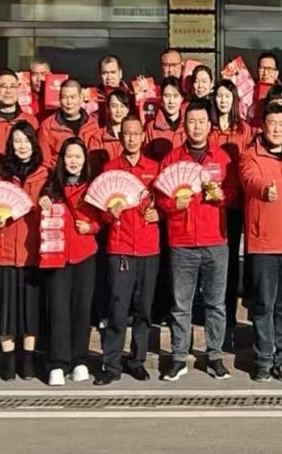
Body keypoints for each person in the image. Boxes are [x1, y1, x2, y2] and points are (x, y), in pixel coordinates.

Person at [158, 99, 237, 381]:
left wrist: (223, 196)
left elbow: (234, 194)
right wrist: (173, 204)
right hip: (181, 242)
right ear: (184, 125)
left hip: (215, 240)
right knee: (181, 305)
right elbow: (159, 197)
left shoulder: (222, 158)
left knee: (216, 304)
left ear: (209, 125)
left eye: (202, 121)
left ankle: (214, 356)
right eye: (191, 121)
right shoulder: (172, 159)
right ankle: (179, 357)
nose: (196, 127)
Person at [239, 103, 282, 382]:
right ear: (263, 126)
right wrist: (263, 190)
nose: (277, 129)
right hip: (264, 243)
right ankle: (263, 360)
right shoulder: (251, 155)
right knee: (263, 305)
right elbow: (249, 180)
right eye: (272, 123)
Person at [94, 117, 162, 385]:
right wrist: (109, 214)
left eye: (136, 133)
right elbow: (100, 212)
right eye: (127, 134)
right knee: (118, 307)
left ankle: (137, 360)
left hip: (148, 247)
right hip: (120, 247)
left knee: (144, 308)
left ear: (143, 136)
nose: (132, 138)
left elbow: (165, 203)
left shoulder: (154, 168)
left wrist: (160, 214)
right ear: (120, 137)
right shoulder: (110, 169)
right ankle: (111, 364)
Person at [38, 137, 100, 386]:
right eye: (69, 156)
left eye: (78, 156)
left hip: (85, 253)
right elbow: (42, 218)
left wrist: (90, 227)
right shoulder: (51, 186)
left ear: (85, 160)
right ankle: (58, 362)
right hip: (57, 255)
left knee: (81, 309)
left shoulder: (93, 186)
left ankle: (79, 360)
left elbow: (102, 218)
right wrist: (42, 204)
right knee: (58, 309)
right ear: (62, 160)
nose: (73, 161)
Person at [0, 121, 46, 381]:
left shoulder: (44, 174)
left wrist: (46, 206)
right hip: (4, 250)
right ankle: (8, 359)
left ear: (34, 143)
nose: (22, 146)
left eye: (26, 140)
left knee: (30, 310)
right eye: (17, 141)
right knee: (5, 309)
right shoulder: (0, 174)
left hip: (32, 251)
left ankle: (28, 360)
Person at [210, 78, 252, 341]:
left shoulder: (244, 130)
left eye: (227, 96)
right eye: (219, 96)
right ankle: (211, 309)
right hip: (210, 203)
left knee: (231, 259)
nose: (223, 100)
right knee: (212, 259)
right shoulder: (209, 128)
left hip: (235, 203)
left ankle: (229, 312)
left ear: (235, 100)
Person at [38, 78, 99, 169]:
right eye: (65, 97)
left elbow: (95, 157)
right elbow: (45, 162)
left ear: (81, 98)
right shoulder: (48, 126)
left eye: (73, 97)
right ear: (59, 99)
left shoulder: (92, 124)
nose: (69, 102)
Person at [85, 89, 133, 174]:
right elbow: (93, 168)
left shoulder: (134, 136)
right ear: (107, 109)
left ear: (128, 109)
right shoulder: (97, 137)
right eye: (114, 106)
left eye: (122, 106)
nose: (119, 111)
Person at [146, 78, 187, 160]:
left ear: (182, 98)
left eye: (175, 96)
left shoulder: (188, 124)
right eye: (167, 96)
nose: (171, 101)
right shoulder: (151, 127)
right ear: (161, 97)